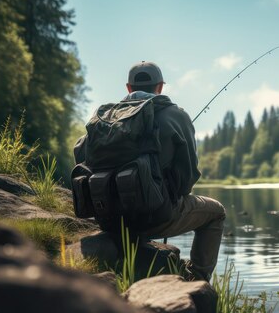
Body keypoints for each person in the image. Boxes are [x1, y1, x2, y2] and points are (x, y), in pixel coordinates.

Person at [75, 61, 226, 282]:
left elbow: (80, 154)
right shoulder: (175, 115)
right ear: (160, 87)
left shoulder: (103, 119)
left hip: (107, 218)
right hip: (154, 218)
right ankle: (198, 282)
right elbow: (187, 180)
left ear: (128, 88)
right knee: (217, 213)